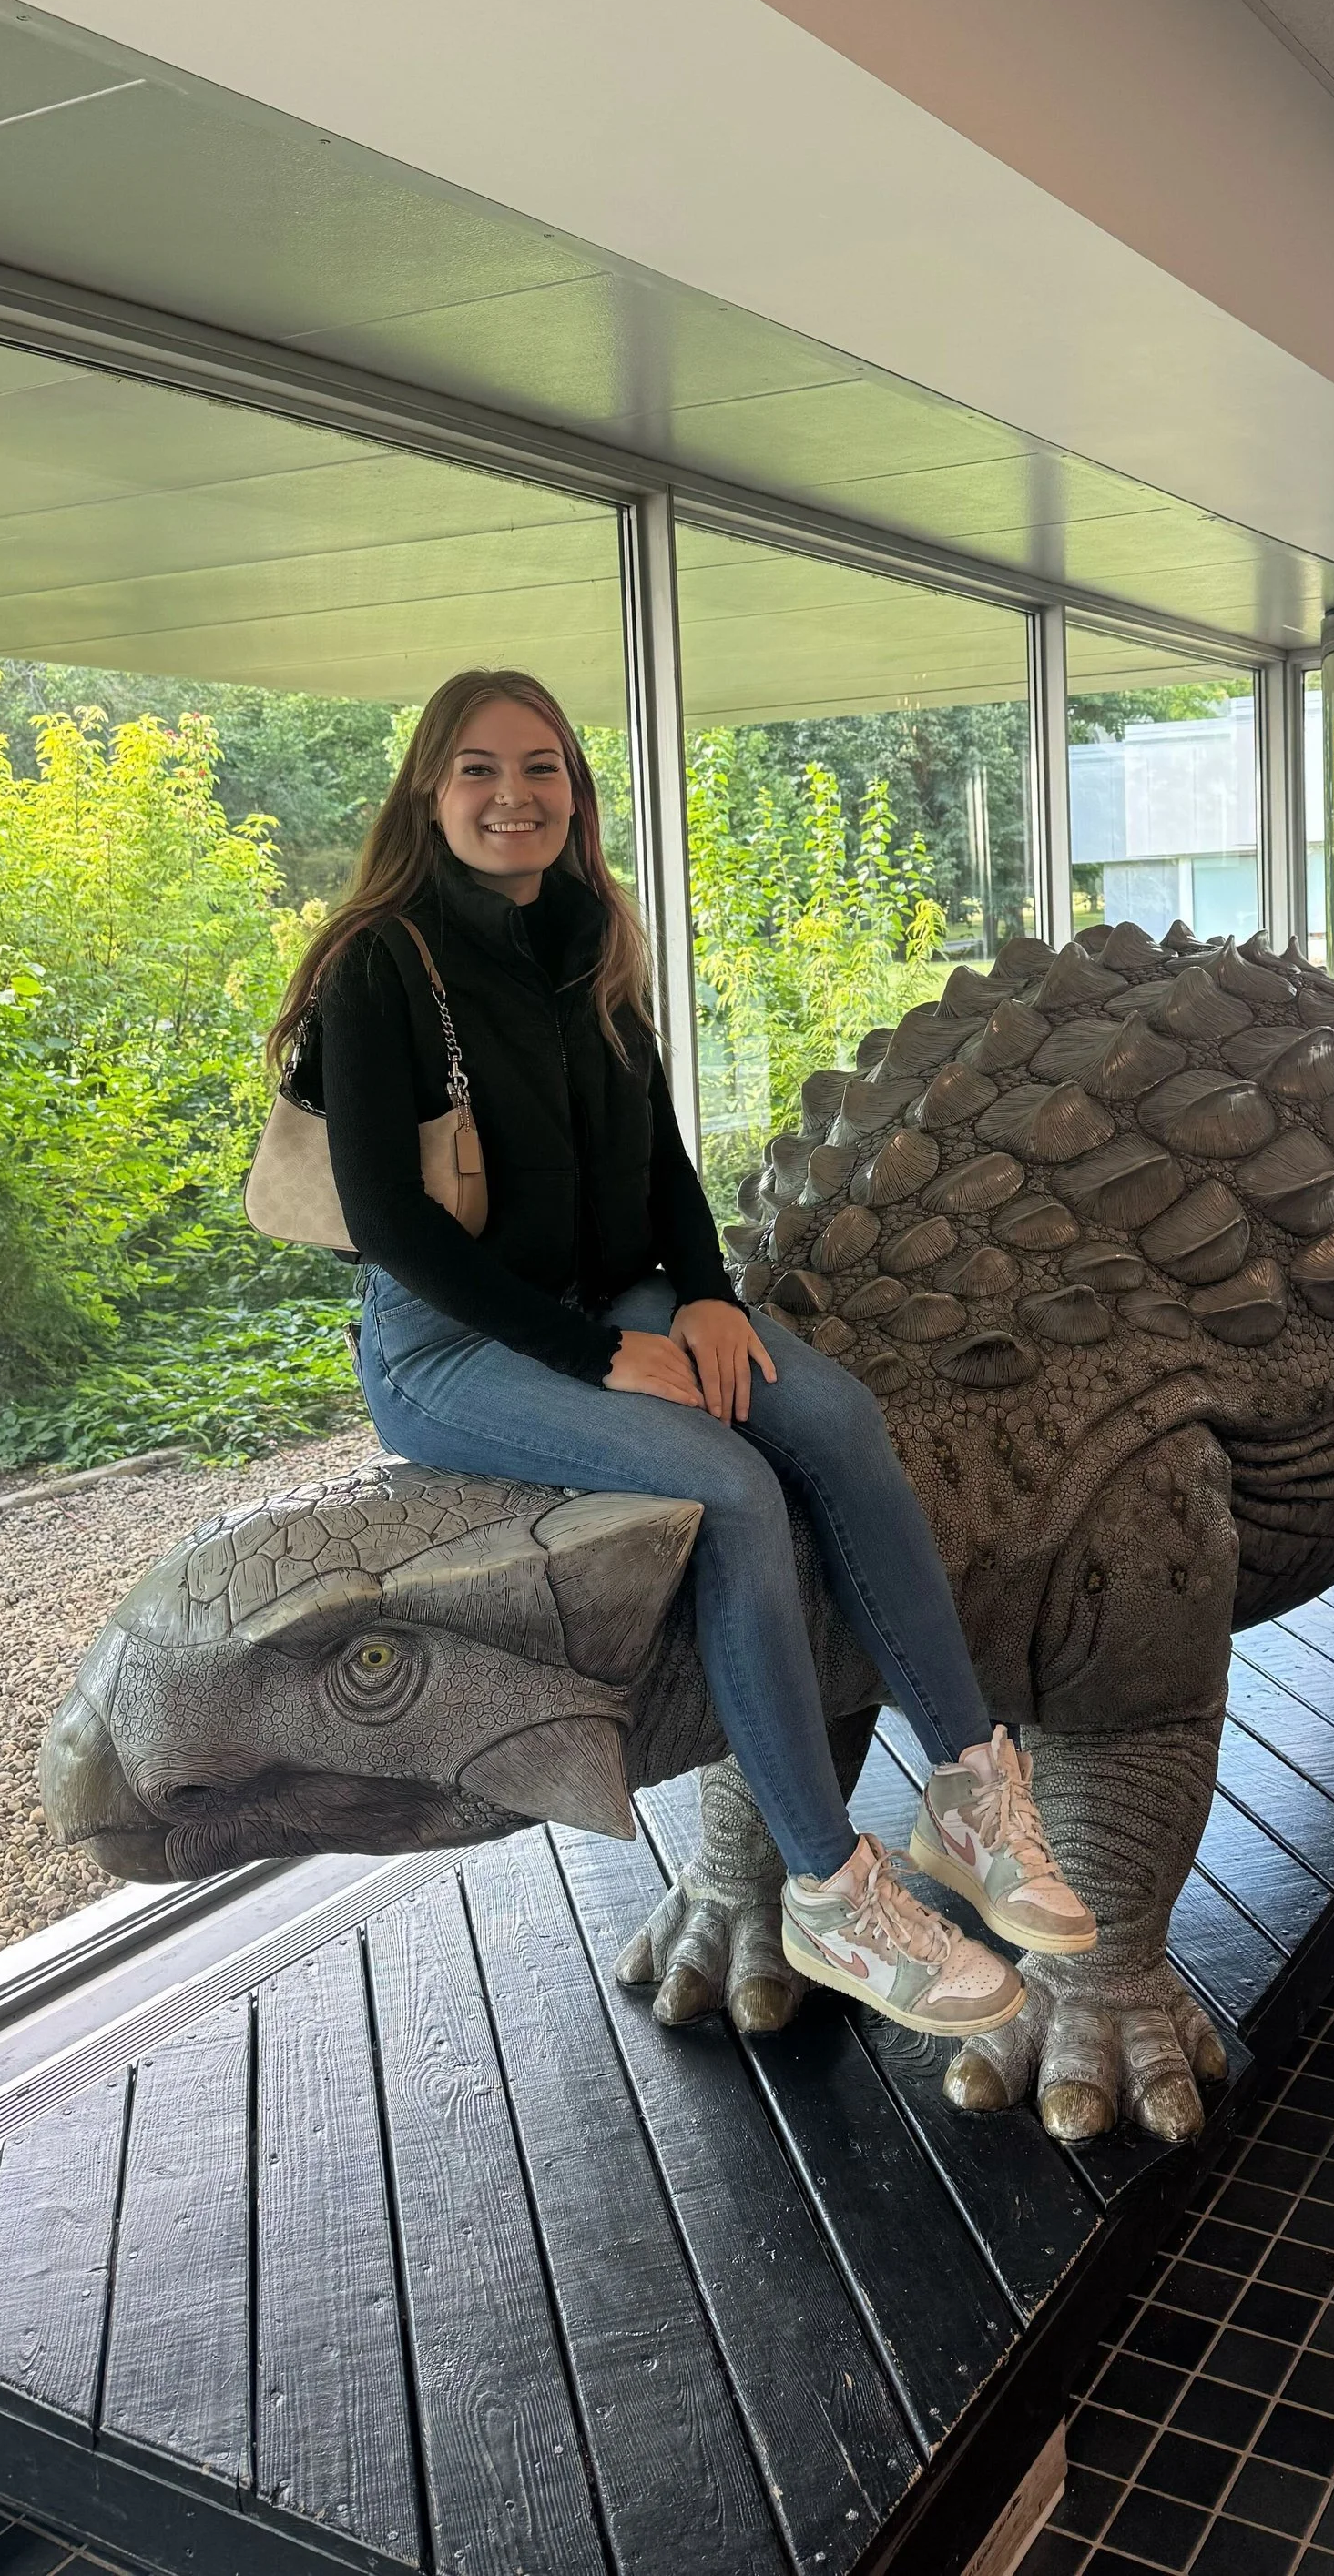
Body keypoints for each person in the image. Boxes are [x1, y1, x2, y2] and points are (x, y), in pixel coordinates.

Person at [270, 665, 1095, 2040]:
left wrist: (706, 1297)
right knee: (733, 1485)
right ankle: (828, 1889)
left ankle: (967, 1790)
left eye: (541, 768)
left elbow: (656, 1153)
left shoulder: (591, 933)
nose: (513, 795)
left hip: (615, 1297)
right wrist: (592, 1356)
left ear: (575, 795)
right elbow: (391, 1224)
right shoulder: (381, 961)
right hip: (451, 1345)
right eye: (479, 769)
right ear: (430, 791)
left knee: (835, 1420)